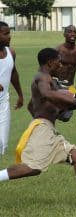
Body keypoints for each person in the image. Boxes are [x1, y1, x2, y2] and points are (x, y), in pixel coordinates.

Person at [0, 48, 76, 206]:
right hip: (42, 128)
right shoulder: (42, 77)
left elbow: (32, 106)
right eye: (59, 61)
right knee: (32, 168)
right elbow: (47, 94)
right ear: (50, 62)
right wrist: (68, 98)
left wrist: (60, 110)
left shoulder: (49, 78)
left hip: (47, 127)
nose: (61, 64)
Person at [55, 25, 76, 121]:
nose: (73, 34)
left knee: (70, 111)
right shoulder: (58, 50)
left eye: (75, 32)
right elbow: (48, 67)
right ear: (64, 34)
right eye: (70, 32)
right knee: (59, 106)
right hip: (56, 83)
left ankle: (55, 111)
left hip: (70, 85)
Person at [0, 21, 24, 155]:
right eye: (6, 34)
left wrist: (20, 95)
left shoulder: (11, 53)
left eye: (9, 33)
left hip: (3, 103)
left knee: (2, 143)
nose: (9, 36)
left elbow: (13, 73)